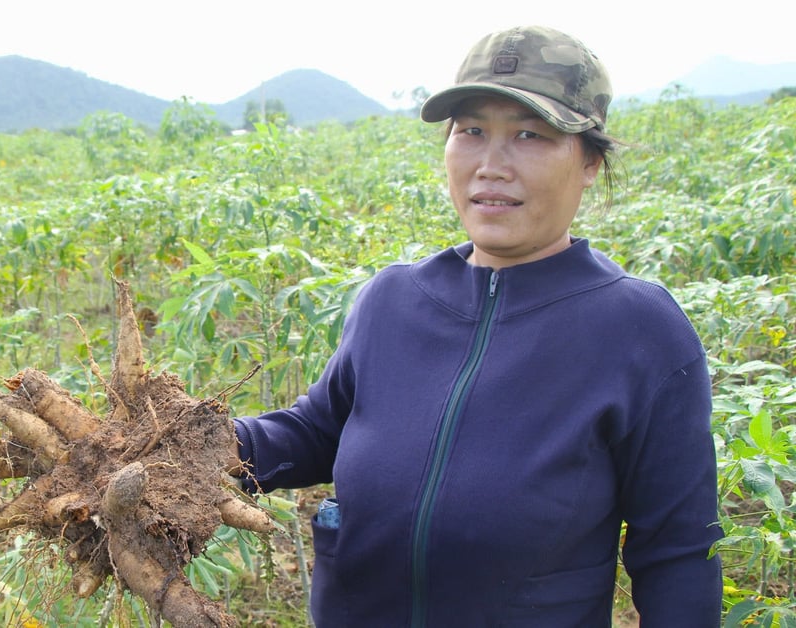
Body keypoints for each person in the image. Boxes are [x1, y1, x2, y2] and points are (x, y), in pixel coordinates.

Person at [232, 25, 723, 626]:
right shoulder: (393, 298)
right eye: (471, 132)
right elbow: (318, 429)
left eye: (529, 135)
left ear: (590, 160)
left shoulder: (639, 331)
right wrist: (198, 448)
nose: (491, 165)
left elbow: (677, 553)